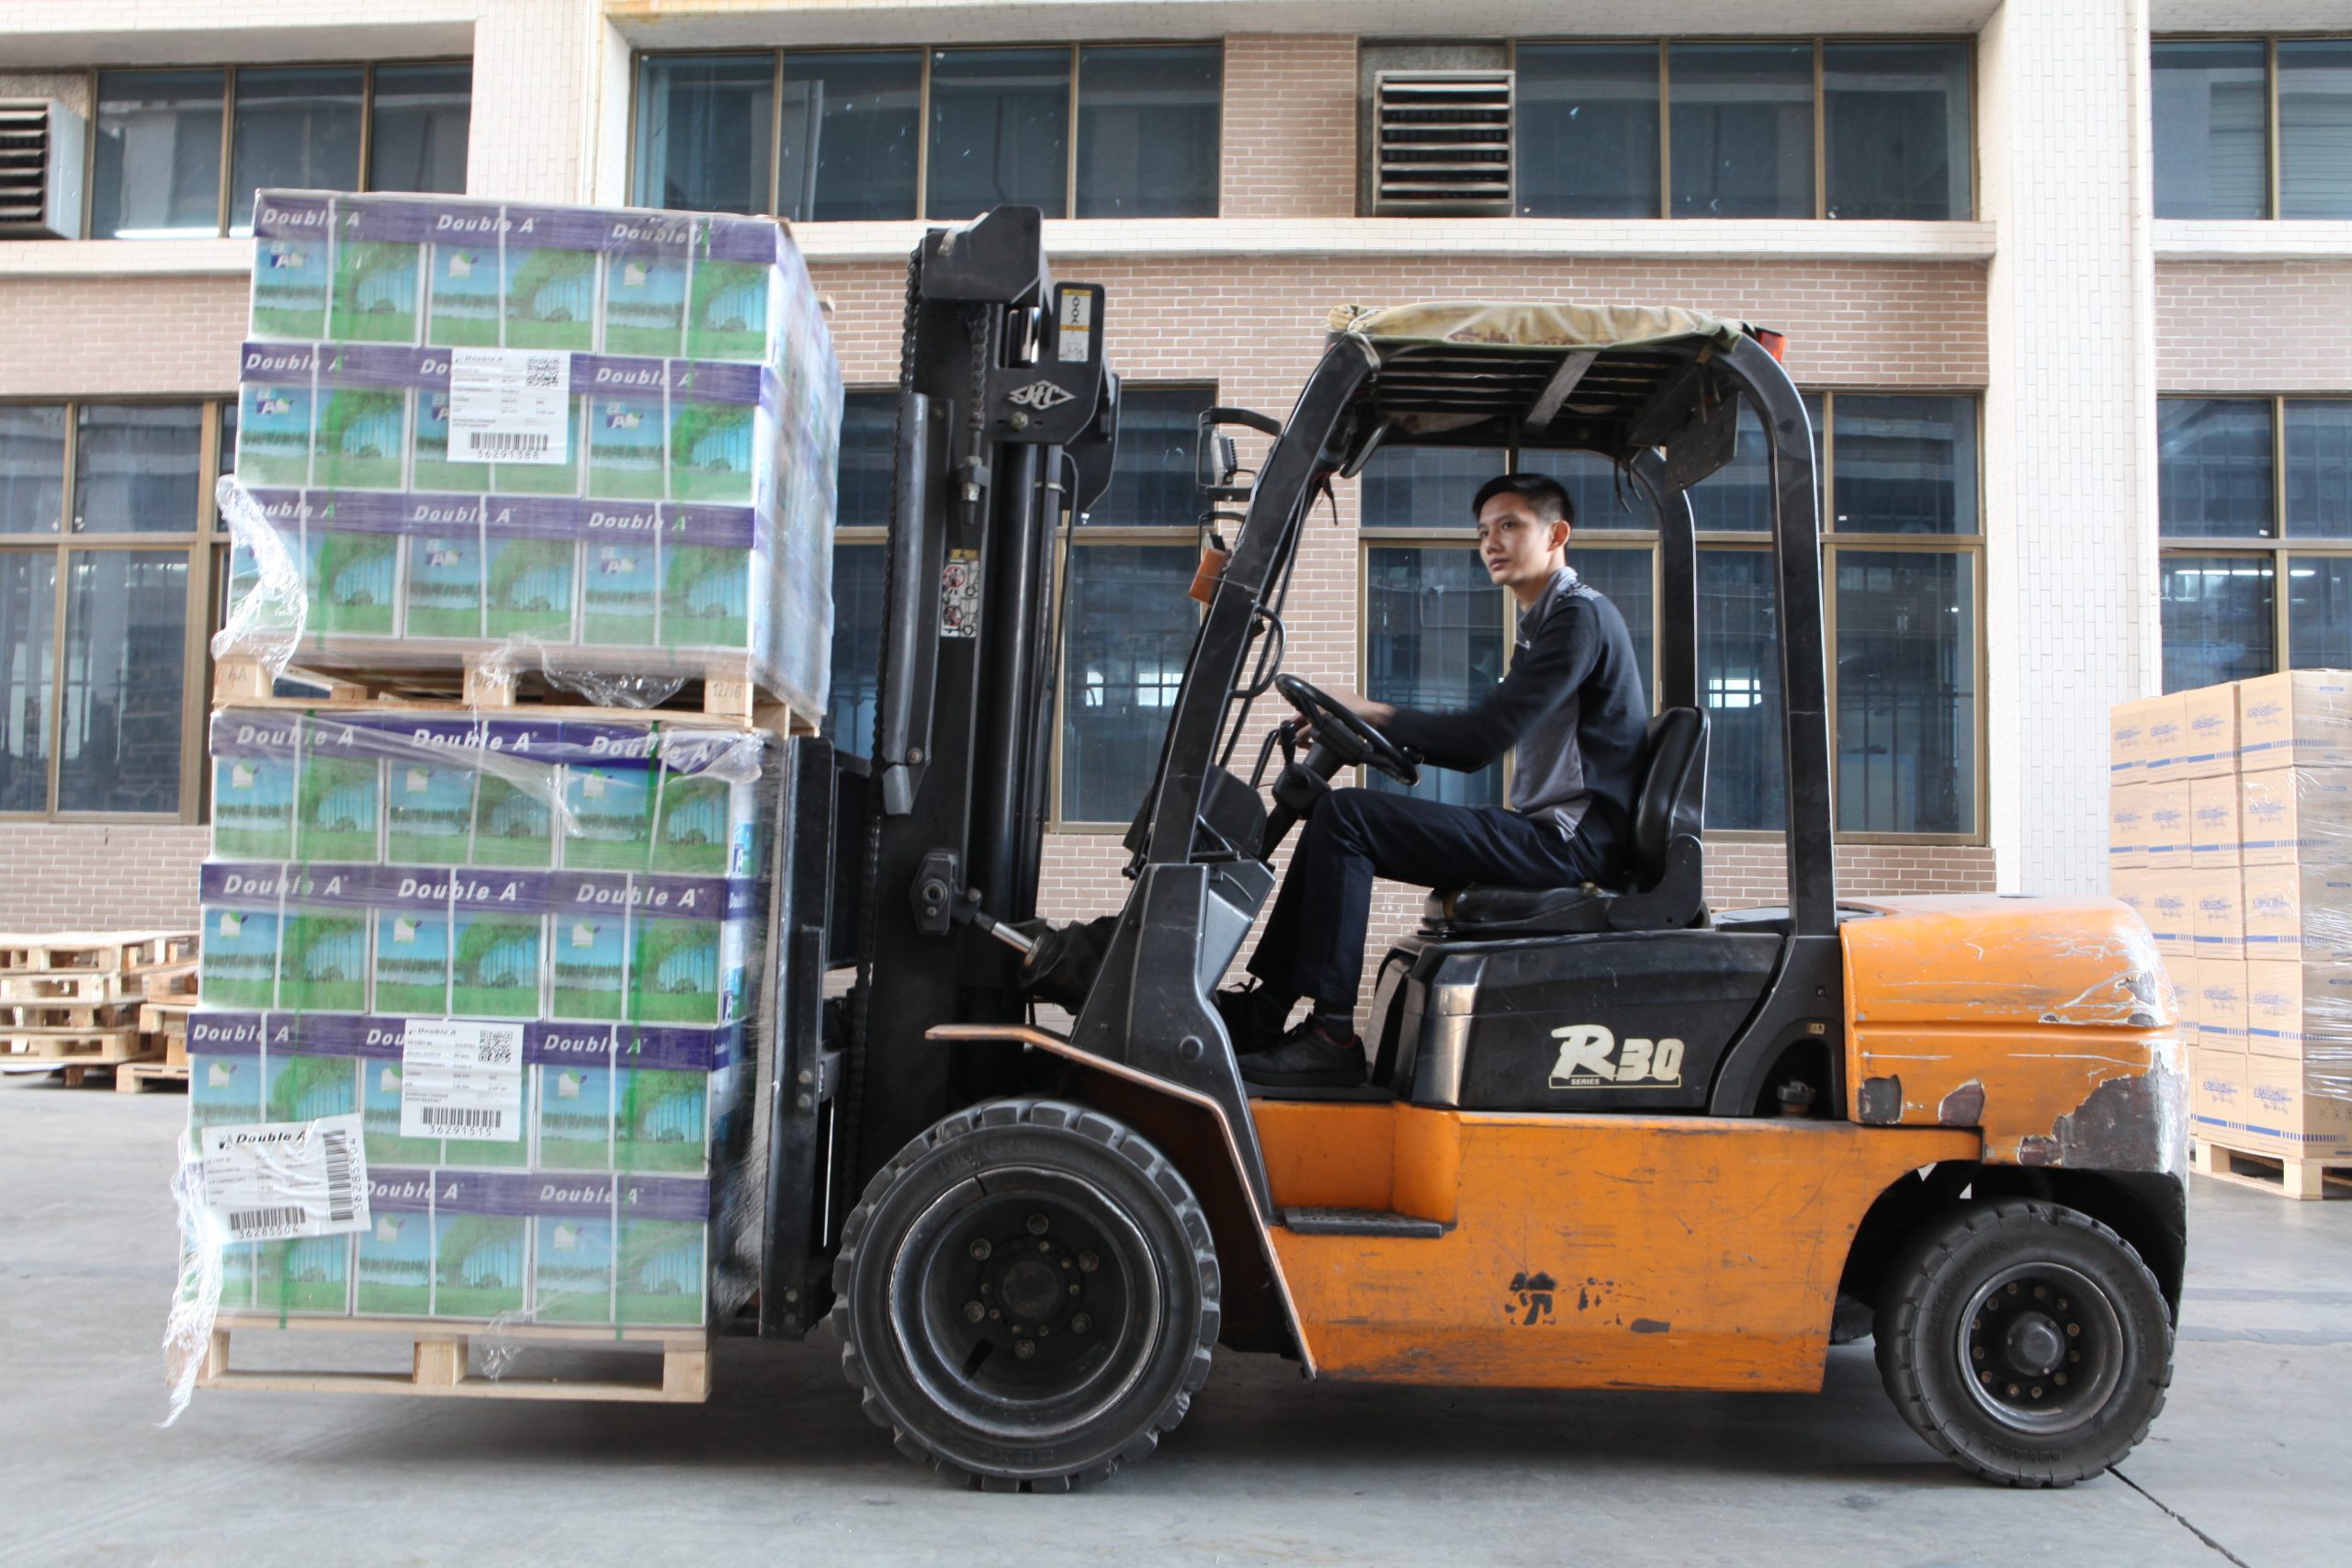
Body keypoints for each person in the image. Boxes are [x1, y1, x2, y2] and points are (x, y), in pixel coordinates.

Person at [1220, 472, 1651, 1088]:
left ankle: (1330, 1035)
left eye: (1509, 525)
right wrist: (1359, 722)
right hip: (1552, 834)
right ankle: (1266, 1012)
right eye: (1483, 531)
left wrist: (1370, 710)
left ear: (1556, 534)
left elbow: (1480, 740)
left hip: (1570, 845)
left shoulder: (1578, 619)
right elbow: (1476, 737)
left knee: (1349, 817)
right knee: (1338, 816)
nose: (1491, 542)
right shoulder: (1546, 624)